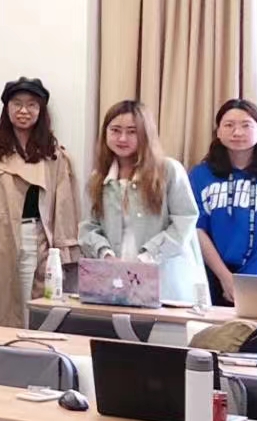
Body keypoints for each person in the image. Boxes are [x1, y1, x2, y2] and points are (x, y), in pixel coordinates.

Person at [0, 78, 82, 328]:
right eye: (17, 104)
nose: (23, 111)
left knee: (33, 308)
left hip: (35, 238)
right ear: (7, 108)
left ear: (41, 110)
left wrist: (64, 253)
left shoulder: (53, 153)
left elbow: (64, 207)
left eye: (31, 105)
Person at [81, 101, 208, 307]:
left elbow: (184, 222)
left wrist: (147, 257)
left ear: (146, 134)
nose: (122, 138)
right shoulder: (98, 178)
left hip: (166, 280)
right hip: (116, 281)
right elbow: (88, 227)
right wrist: (106, 255)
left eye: (132, 132)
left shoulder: (169, 170)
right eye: (115, 130)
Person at [191, 98, 257, 302]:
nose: (237, 132)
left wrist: (246, 283)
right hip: (212, 278)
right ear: (218, 132)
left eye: (246, 125)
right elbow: (197, 229)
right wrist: (225, 278)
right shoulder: (200, 174)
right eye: (229, 125)